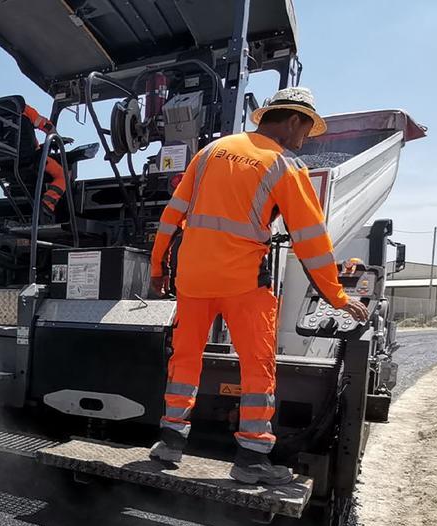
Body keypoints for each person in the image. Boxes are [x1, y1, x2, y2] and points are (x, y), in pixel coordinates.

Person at [147, 87, 370, 485]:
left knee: (184, 362)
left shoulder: (211, 152)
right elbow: (311, 241)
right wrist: (336, 295)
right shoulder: (285, 166)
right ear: (293, 121)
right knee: (257, 368)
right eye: (307, 131)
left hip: (193, 279)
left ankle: (169, 442)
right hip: (243, 284)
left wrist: (158, 269)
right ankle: (251, 457)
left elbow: (171, 215)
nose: (306, 140)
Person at [0, 96, 66, 214]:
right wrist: (57, 138)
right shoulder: (22, 109)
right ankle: (48, 203)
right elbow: (45, 125)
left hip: (6, 166)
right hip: (31, 160)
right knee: (62, 175)